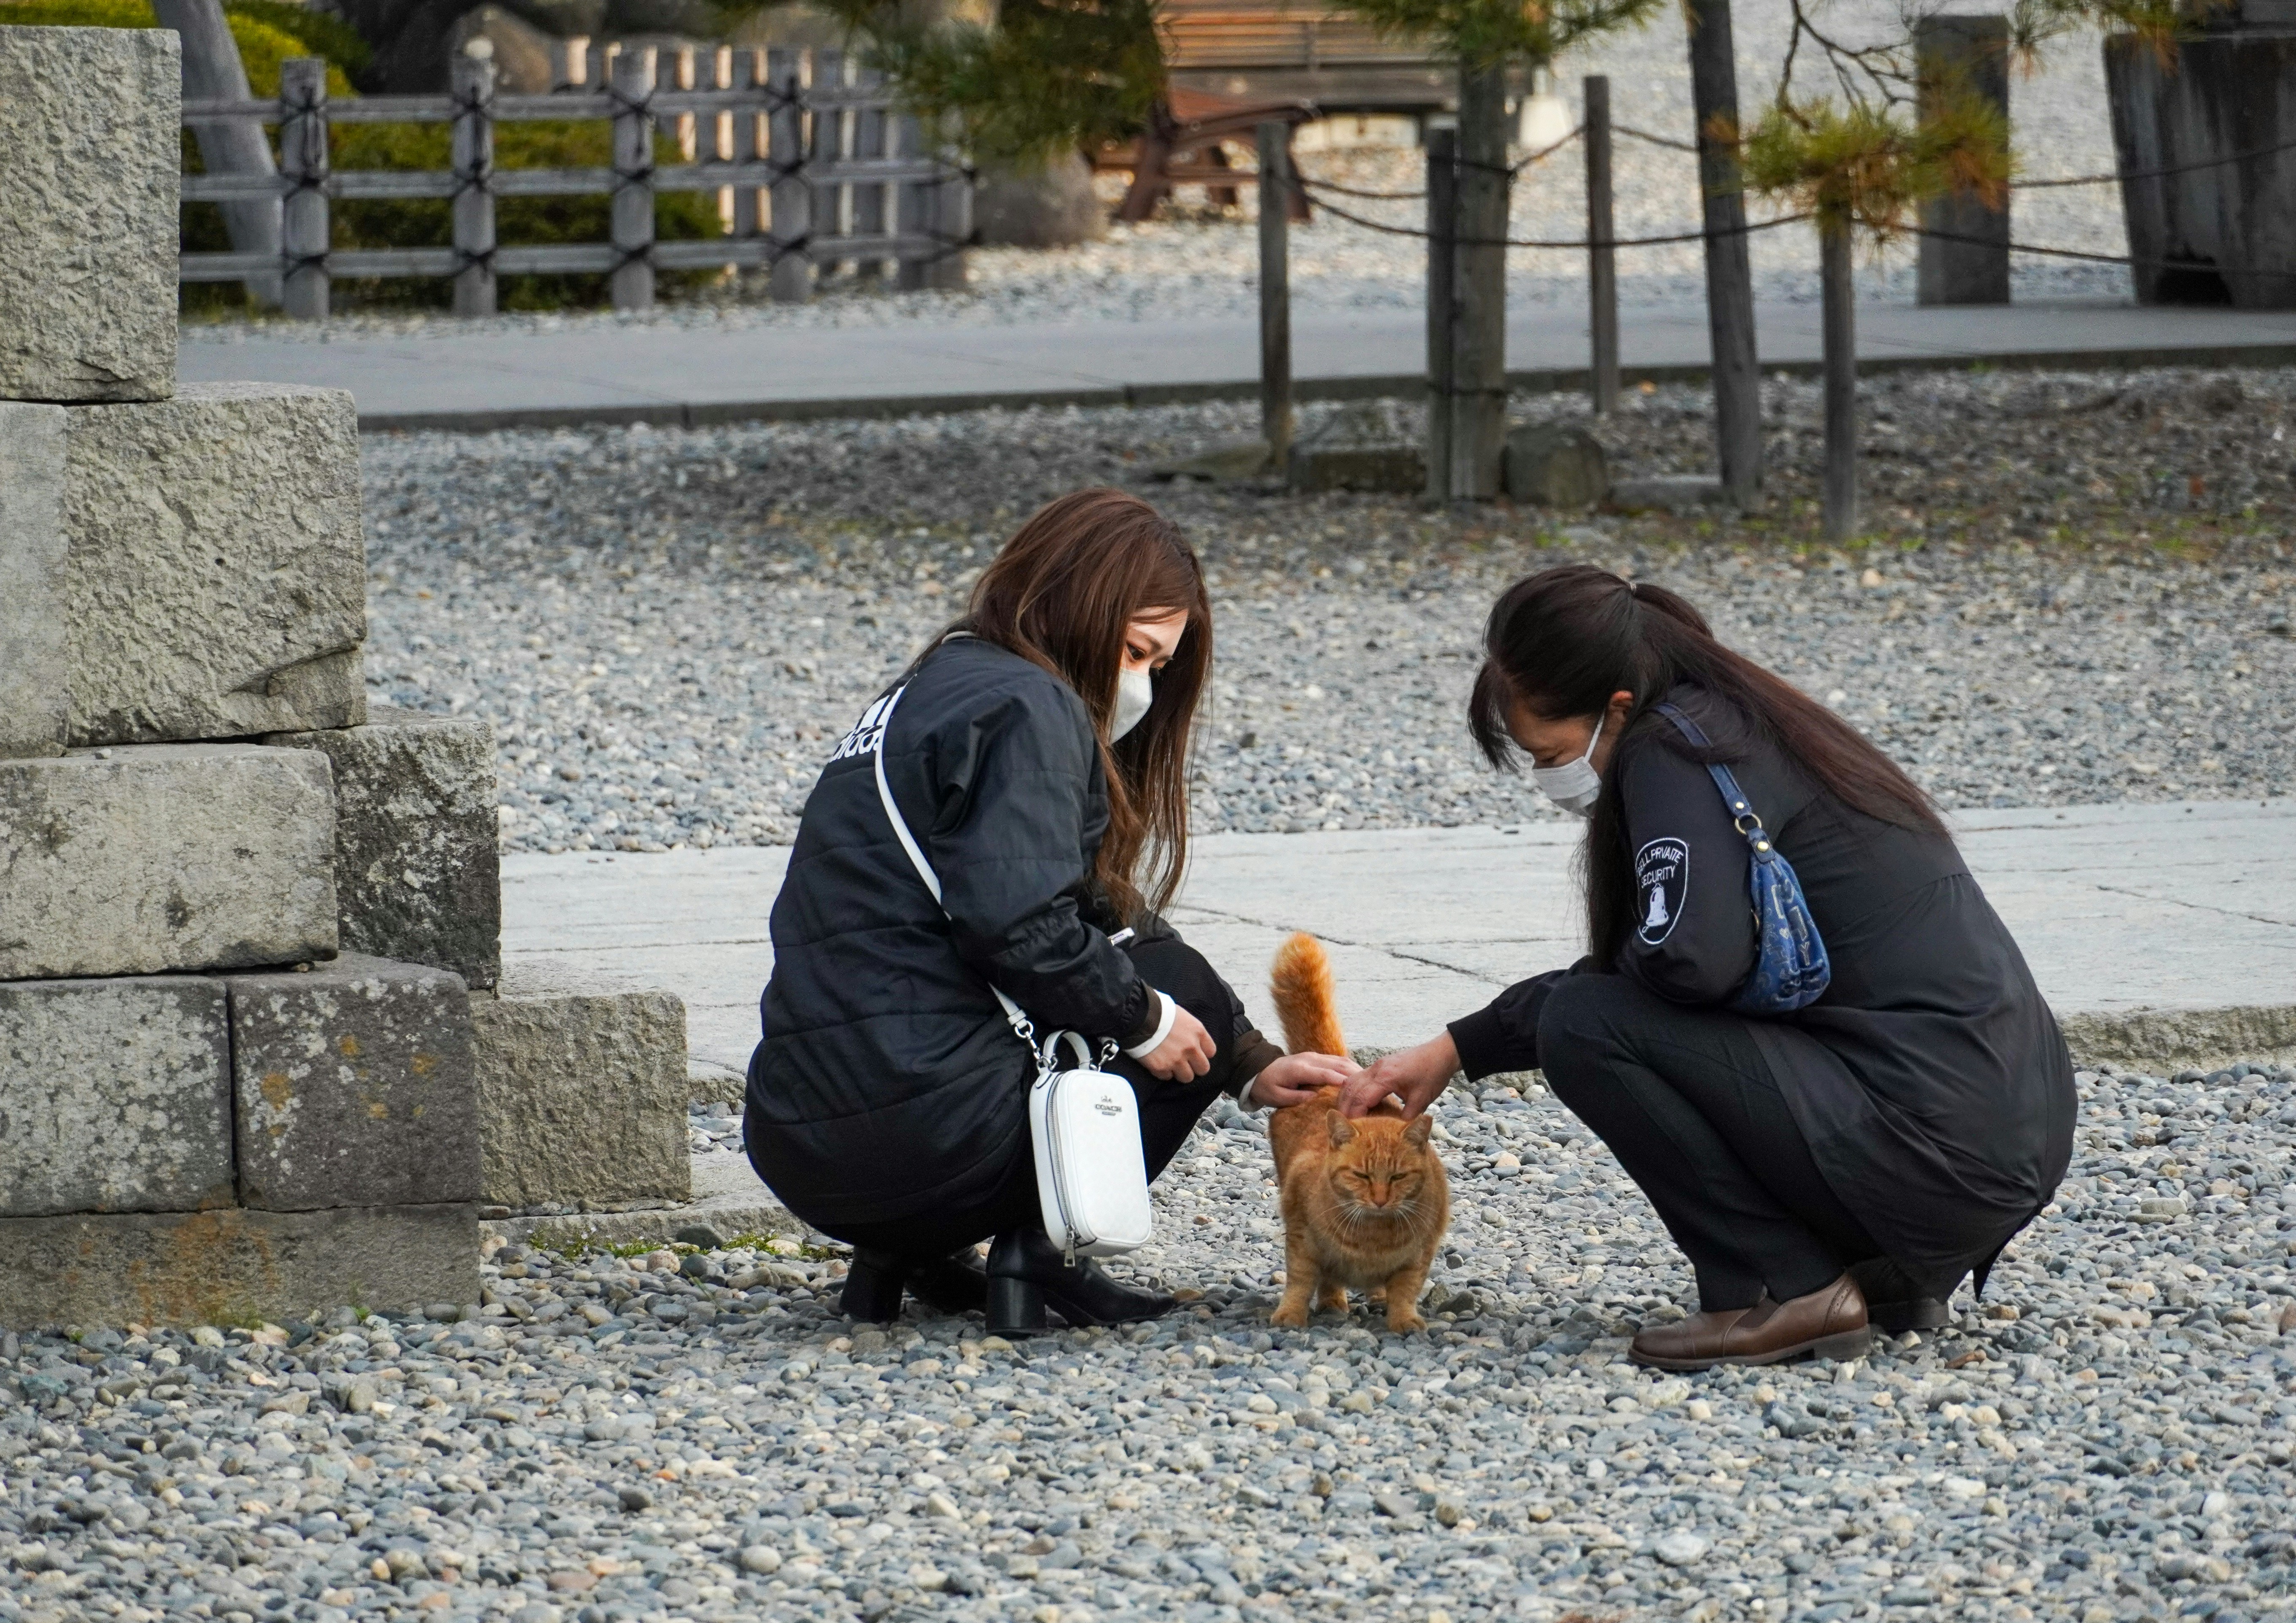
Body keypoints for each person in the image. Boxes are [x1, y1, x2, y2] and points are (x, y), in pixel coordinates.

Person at [1341, 565, 2075, 1371]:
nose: (1551, 778)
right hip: (2001, 1145)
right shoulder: (1749, 723)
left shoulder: (1672, 751)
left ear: (1615, 709)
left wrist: (1494, 1033)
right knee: (1598, 1009)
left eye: (1551, 753)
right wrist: (1458, 1046)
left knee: (1584, 1025)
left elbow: (1686, 966)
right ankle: (1882, 1275)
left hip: (1934, 1153)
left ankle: (1782, 1289)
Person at [745, 488, 1354, 1337]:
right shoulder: (1033, 705)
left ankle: (894, 1259)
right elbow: (1019, 923)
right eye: (1139, 651)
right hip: (921, 1144)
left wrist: (1246, 1061)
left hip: (796, 1139)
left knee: (1130, 980)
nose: (1142, 683)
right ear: (1081, 607)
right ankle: (1039, 1259)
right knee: (1165, 988)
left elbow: (1086, 908)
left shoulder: (924, 691)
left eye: (1159, 665)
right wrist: (1148, 1020)